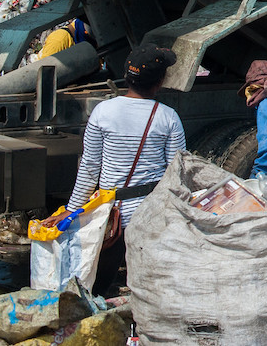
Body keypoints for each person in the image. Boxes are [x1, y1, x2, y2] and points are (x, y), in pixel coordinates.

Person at [48, 45, 186, 295]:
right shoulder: (168, 117)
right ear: (160, 81)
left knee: (97, 288)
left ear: (126, 77)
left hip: (109, 216)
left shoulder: (103, 111)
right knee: (147, 291)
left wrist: (72, 210)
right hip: (149, 214)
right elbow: (176, 173)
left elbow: (89, 168)